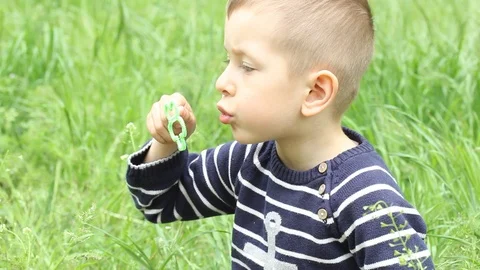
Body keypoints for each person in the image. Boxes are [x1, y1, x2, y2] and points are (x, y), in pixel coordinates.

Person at [126, 0, 435, 269]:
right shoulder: (250, 161)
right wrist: (165, 144)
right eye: (227, 61)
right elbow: (160, 204)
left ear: (315, 92)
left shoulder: (366, 196)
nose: (222, 81)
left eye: (246, 66)